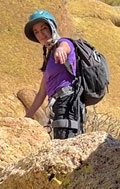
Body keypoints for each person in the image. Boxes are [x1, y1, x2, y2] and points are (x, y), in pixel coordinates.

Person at [23, 9, 85, 139]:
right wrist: (27, 117)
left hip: (68, 103)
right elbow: (41, 93)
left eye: (44, 28)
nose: (41, 34)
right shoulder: (49, 58)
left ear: (52, 28)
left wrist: (61, 50)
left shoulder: (64, 43)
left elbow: (65, 46)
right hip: (58, 105)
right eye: (36, 32)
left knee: (66, 145)